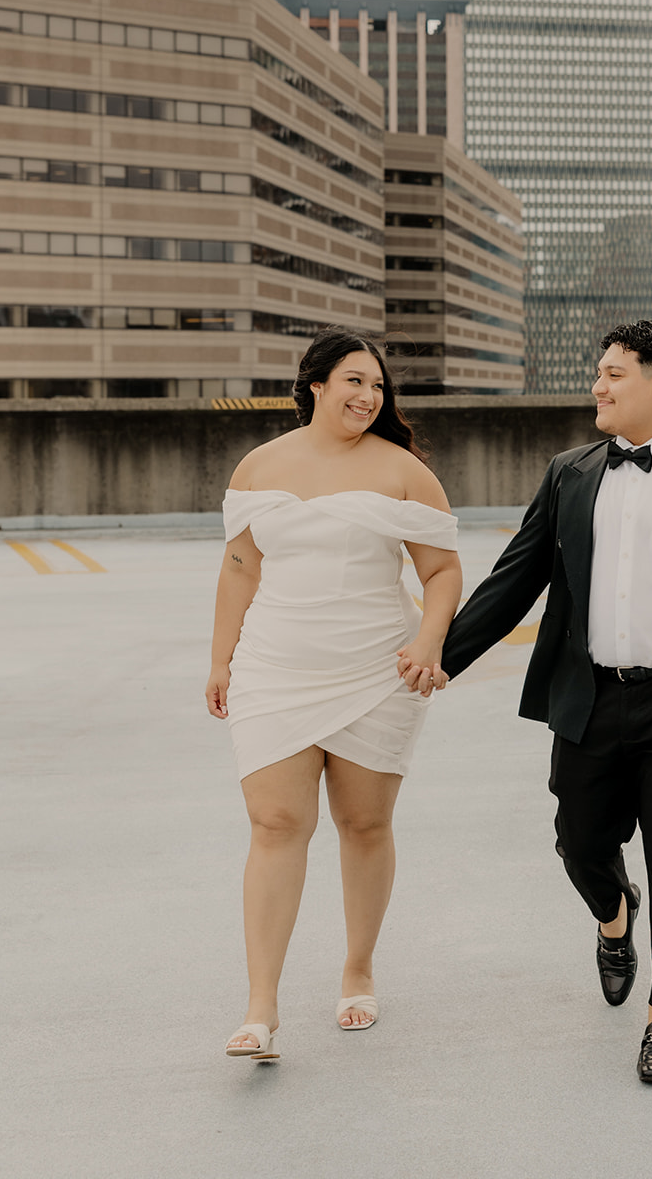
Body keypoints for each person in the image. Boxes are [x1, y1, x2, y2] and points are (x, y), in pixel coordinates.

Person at [420, 321, 652, 1084]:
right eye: (598, 373)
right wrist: (443, 654)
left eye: (612, 373)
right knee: (580, 840)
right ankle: (612, 912)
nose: (597, 386)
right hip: (591, 695)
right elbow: (516, 575)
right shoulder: (569, 472)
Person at [206, 328, 459, 1061]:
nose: (367, 397)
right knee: (275, 823)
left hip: (376, 669)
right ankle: (261, 1008)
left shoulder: (403, 470)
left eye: (377, 386)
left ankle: (357, 967)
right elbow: (239, 569)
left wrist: (429, 640)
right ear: (314, 385)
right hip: (274, 667)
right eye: (353, 381)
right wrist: (220, 661)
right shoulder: (259, 467)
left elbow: (442, 573)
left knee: (363, 823)